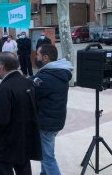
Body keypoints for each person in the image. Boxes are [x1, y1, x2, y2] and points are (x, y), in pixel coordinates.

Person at [0, 52, 42, 175]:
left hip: (6, 144)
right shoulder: (27, 83)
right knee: (24, 170)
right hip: (24, 139)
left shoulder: (4, 89)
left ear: (0, 66)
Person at [32, 44, 73, 175]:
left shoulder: (47, 77)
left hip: (47, 123)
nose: (35, 58)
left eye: (37, 55)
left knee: (47, 158)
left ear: (45, 58)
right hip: (54, 120)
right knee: (46, 154)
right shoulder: (58, 72)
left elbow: (30, 89)